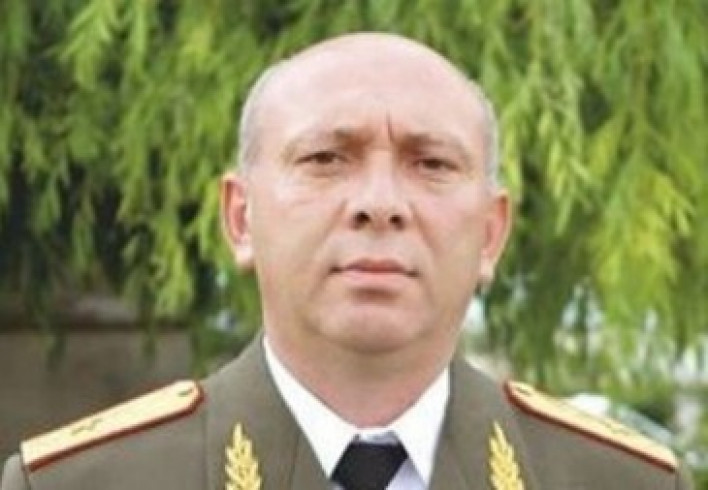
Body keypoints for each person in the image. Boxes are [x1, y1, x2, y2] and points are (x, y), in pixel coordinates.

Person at [1, 32, 692, 490]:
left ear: (491, 233)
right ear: (241, 218)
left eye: (431, 163)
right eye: (326, 158)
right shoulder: (80, 484)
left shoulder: (621, 482)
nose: (380, 204)